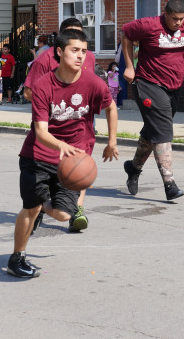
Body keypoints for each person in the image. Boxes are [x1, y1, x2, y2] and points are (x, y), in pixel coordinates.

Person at [7, 29, 118, 278]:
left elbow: (111, 107)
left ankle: (43, 205)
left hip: (72, 162)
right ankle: (17, 258)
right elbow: (41, 131)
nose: (80, 56)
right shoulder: (44, 85)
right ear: (59, 52)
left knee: (63, 214)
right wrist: (60, 145)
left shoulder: (93, 82)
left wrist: (111, 141)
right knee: (30, 208)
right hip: (39, 156)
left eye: (83, 51)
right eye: (74, 50)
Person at [121, 0, 184, 200]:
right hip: (147, 83)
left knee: (155, 129)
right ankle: (169, 183)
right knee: (163, 130)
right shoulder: (149, 25)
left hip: (173, 87)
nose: (178, 23)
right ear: (166, 14)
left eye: (181, 19)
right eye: (174, 19)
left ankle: (134, 168)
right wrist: (129, 66)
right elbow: (126, 35)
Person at [23, 19, 96, 101]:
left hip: (83, 112)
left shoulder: (89, 56)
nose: (75, 38)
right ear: (60, 36)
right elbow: (28, 93)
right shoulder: (45, 59)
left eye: (79, 34)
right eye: (70, 34)